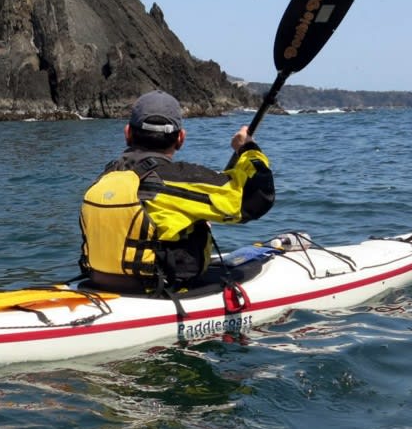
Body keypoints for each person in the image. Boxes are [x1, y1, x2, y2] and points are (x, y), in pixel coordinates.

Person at [79, 90, 275, 292]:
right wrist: (248, 148)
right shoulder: (180, 178)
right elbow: (257, 197)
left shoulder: (106, 176)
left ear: (128, 133)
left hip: (96, 282)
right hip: (157, 291)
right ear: (180, 138)